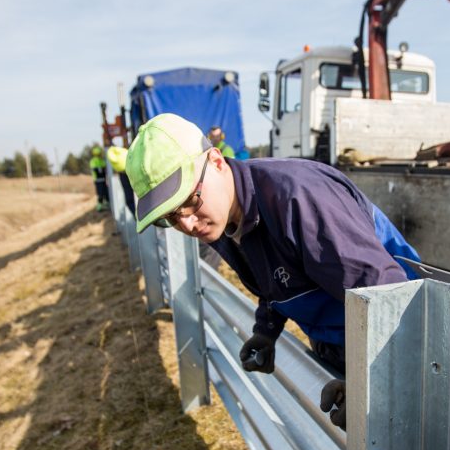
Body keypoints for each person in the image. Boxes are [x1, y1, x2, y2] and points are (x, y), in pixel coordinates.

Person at [126, 113, 421, 427]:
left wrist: (373, 386)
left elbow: (388, 298)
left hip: (404, 353)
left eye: (191, 200)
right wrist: (266, 330)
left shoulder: (299, 199)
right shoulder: (222, 216)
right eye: (170, 217)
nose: (186, 223)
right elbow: (277, 277)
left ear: (215, 160)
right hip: (343, 346)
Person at [106, 145, 136, 215]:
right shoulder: (123, 151)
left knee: (129, 200)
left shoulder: (111, 154)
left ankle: (137, 218)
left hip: (124, 173)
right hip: (132, 168)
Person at [90, 145, 109, 212]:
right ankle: (99, 207)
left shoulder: (99, 160)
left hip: (101, 180)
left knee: (104, 193)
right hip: (99, 180)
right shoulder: (95, 161)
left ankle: (105, 205)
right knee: (101, 194)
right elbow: (97, 170)